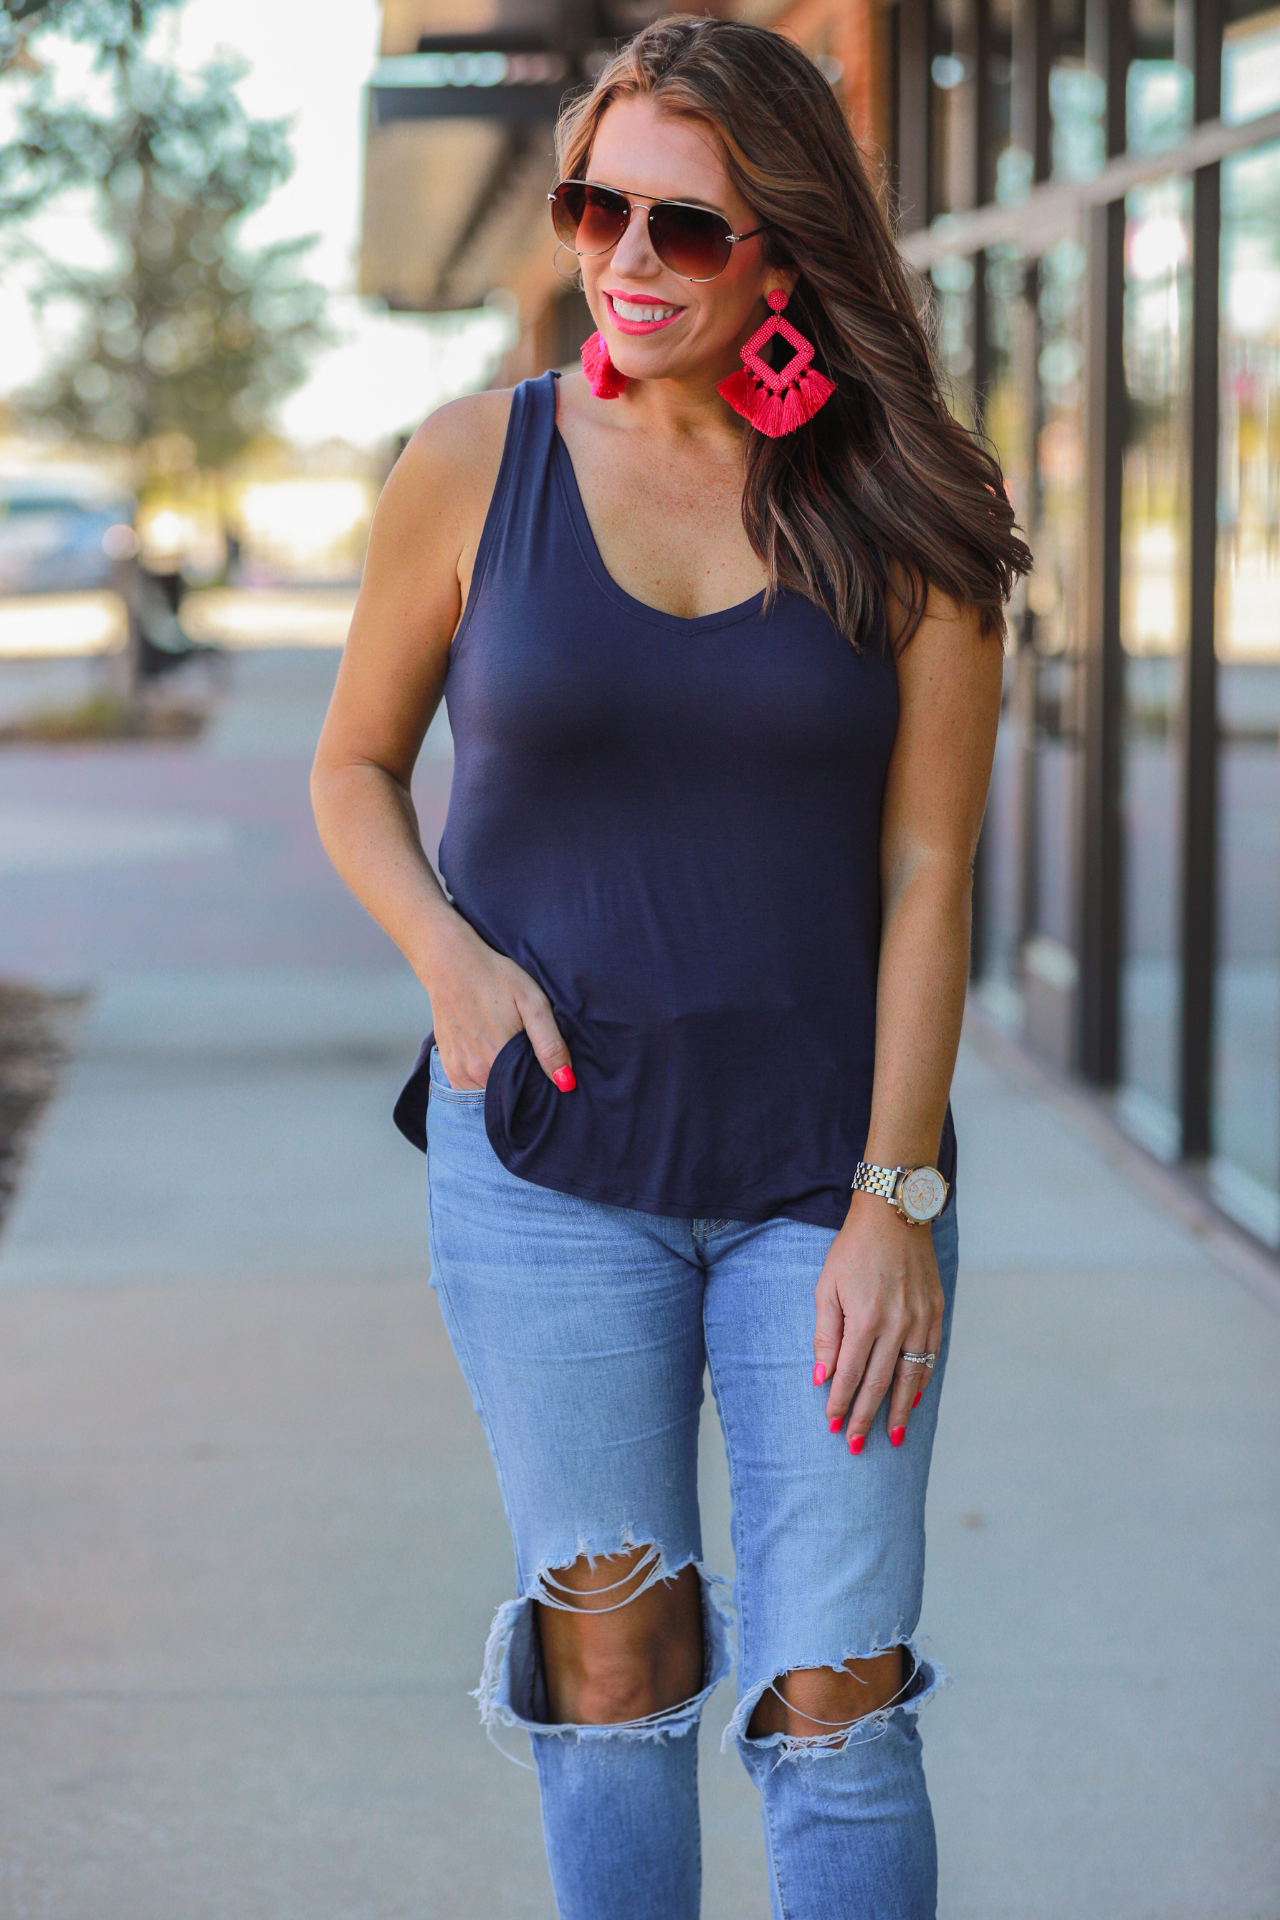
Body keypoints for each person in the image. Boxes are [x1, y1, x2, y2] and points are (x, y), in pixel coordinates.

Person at [311, 18, 1029, 1919]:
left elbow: (931, 870)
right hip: (547, 1167)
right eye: (595, 207)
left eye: (685, 228)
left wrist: (896, 1196)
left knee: (839, 1694)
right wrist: (452, 971)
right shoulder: (475, 464)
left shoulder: (914, 508)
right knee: (611, 1659)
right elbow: (353, 770)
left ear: (785, 245)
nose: (625, 259)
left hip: (827, 1174)